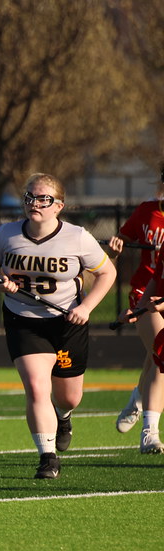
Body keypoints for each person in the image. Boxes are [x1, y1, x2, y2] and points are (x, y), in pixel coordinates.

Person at [0, 173, 116, 479]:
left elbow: (107, 273)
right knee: (37, 387)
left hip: (67, 322)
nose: (35, 203)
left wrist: (86, 307)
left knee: (68, 397)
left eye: (43, 198)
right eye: (29, 197)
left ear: (59, 206)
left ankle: (64, 417)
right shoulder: (6, 235)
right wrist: (0, 282)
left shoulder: (77, 237)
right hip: (23, 320)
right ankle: (47, 457)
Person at [105, 161, 164, 438]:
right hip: (147, 290)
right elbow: (118, 243)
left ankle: (138, 399)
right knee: (160, 352)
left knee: (156, 357)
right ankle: (150, 432)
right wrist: (115, 247)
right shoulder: (146, 211)